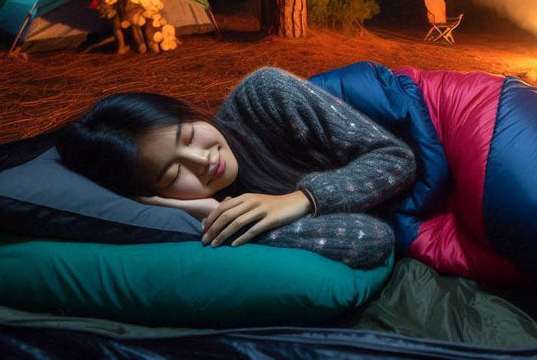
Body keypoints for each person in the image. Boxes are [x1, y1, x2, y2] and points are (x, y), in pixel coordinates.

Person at [55, 67, 416, 269]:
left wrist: (301, 200)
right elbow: (373, 239)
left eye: (190, 135)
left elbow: (396, 158)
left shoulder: (268, 94)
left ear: (191, 113)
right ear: (157, 195)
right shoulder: (212, 210)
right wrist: (223, 219)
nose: (203, 160)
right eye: (172, 174)